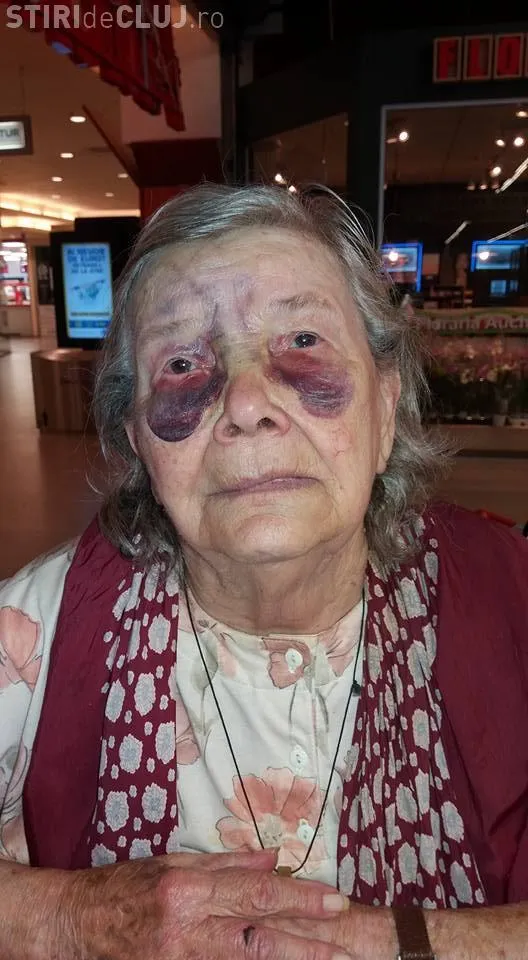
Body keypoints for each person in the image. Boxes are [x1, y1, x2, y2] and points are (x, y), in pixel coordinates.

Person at [0, 183, 527, 960]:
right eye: (182, 362)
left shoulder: (512, 600)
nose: (247, 404)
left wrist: (401, 942)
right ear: (137, 441)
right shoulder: (31, 634)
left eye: (303, 341)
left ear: (385, 407)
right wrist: (67, 919)